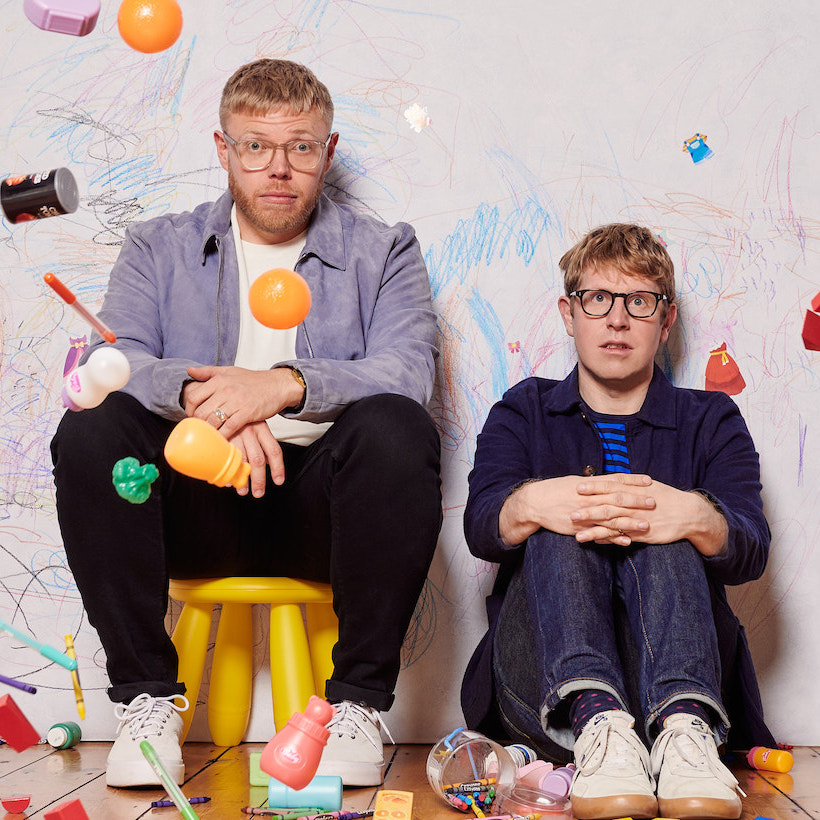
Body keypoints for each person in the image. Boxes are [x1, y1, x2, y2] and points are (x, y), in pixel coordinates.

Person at [50, 59, 442, 790]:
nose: (279, 169)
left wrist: (284, 387)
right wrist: (216, 406)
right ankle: (143, 702)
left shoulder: (383, 248)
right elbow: (121, 358)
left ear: (327, 153)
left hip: (319, 511)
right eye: (255, 146)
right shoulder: (157, 244)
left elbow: (406, 370)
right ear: (223, 149)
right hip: (187, 500)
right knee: (91, 425)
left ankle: (356, 706)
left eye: (300, 147)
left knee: (397, 425)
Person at [461, 224, 775, 820]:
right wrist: (535, 503)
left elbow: (751, 550)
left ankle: (685, 727)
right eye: (597, 299)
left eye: (640, 301)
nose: (617, 320)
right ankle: (595, 717)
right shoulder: (524, 409)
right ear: (568, 312)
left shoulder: (711, 418)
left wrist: (694, 515)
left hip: (685, 675)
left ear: (667, 318)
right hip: (545, 684)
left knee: (662, 514)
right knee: (568, 512)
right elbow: (481, 528)